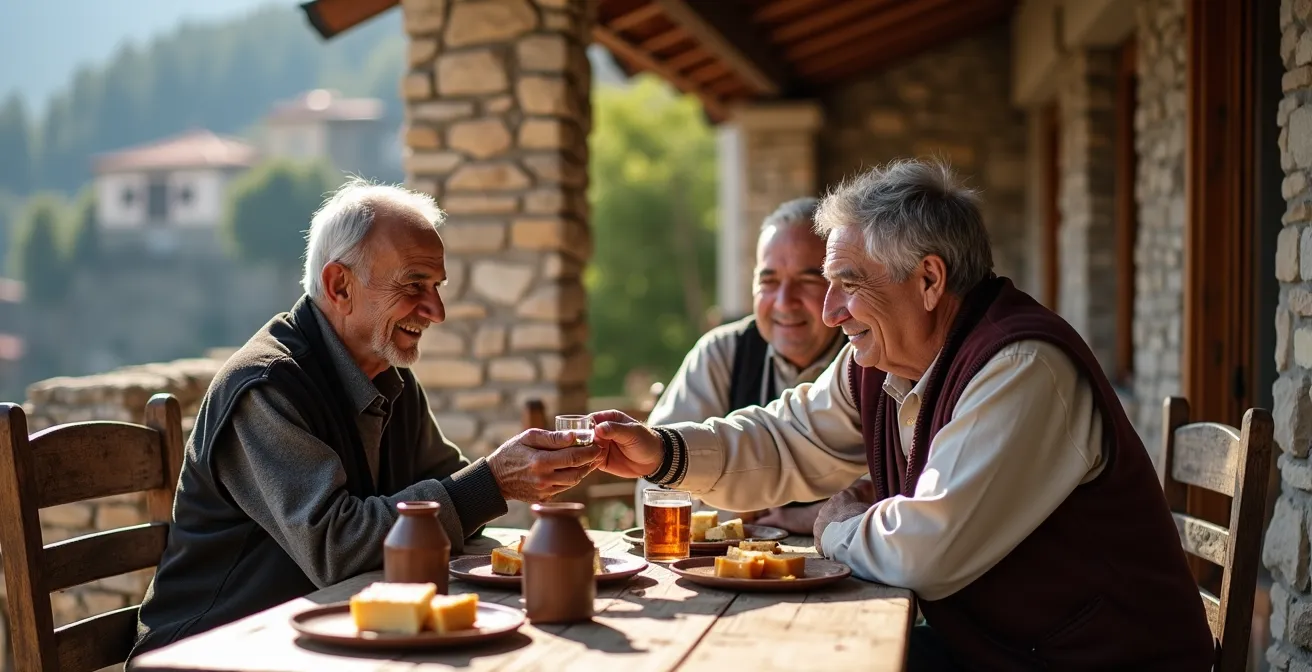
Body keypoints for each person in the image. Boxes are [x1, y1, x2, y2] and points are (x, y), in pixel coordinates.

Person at [589, 159, 1214, 669]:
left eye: (847, 283)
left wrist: (835, 523)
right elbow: (786, 436)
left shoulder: (1022, 367)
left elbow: (924, 552)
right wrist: (665, 452)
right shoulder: (884, 359)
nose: (830, 311)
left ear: (930, 281)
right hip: (1001, 652)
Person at [131, 179, 601, 656]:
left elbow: (450, 496)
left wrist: (515, 474)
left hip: (324, 639)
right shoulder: (266, 389)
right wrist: (494, 482)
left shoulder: (388, 377)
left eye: (436, 287)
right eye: (414, 285)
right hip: (211, 650)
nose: (436, 311)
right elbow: (338, 549)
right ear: (340, 285)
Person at [633, 198, 845, 533]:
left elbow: (888, 489)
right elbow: (655, 488)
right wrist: (748, 518)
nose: (784, 301)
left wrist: (807, 518)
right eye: (769, 280)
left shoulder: (867, 357)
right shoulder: (723, 353)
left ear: (840, 286)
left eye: (808, 280)